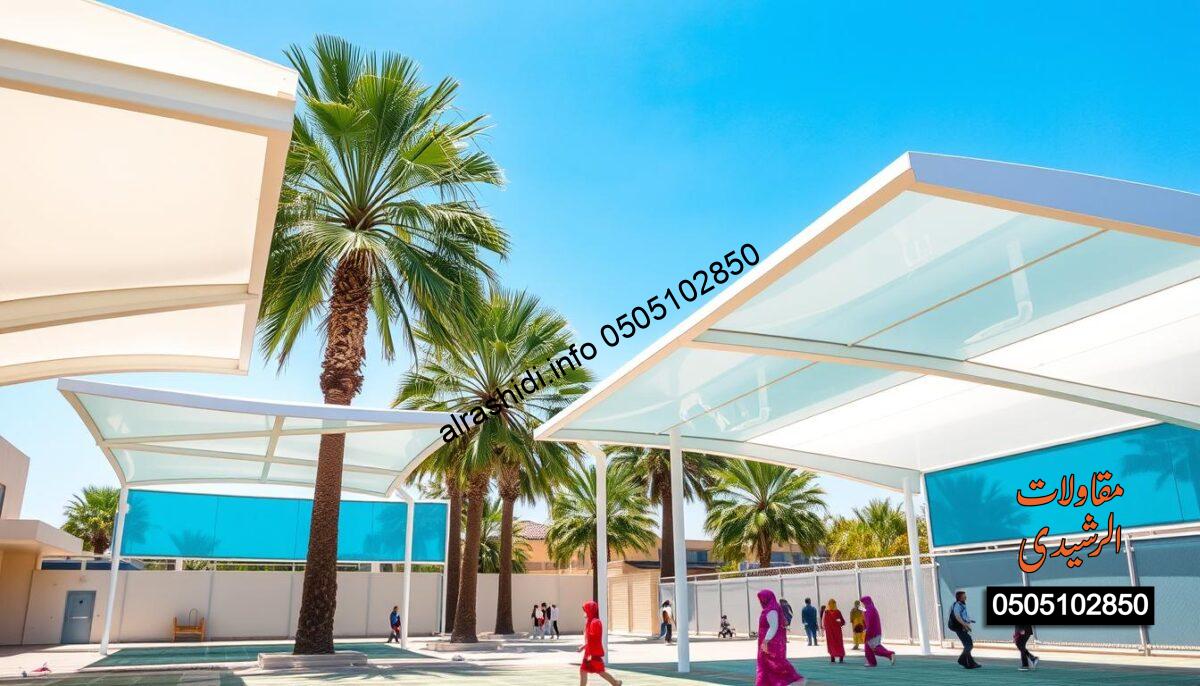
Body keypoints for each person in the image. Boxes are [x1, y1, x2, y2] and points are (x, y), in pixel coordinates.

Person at [755, 589, 806, 686]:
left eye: (761, 599)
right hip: (769, 642)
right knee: (768, 665)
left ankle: (793, 679)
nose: (760, 601)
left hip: (771, 643)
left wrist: (765, 642)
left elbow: (773, 627)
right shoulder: (771, 609)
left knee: (774, 663)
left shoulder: (771, 610)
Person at [578, 600, 622, 686]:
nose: (584, 613)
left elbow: (594, 638)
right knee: (583, 670)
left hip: (594, 652)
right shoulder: (590, 622)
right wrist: (584, 647)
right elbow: (589, 639)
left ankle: (615, 683)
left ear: (590, 611)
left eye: (586, 610)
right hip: (589, 652)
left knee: (600, 671)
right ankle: (615, 683)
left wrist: (587, 648)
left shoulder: (595, 622)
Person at [949, 590, 980, 669]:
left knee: (968, 644)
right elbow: (957, 616)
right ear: (960, 597)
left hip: (961, 626)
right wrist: (965, 625)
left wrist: (968, 620)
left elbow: (962, 616)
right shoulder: (957, 605)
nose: (966, 597)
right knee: (969, 645)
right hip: (959, 627)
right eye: (964, 596)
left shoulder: (961, 605)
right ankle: (962, 660)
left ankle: (970, 663)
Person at [860, 595, 895, 667]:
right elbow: (866, 621)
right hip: (875, 631)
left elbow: (869, 622)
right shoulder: (870, 608)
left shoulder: (869, 609)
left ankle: (889, 654)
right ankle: (872, 662)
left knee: (875, 648)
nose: (862, 604)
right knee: (868, 647)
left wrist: (868, 631)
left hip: (872, 632)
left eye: (862, 603)